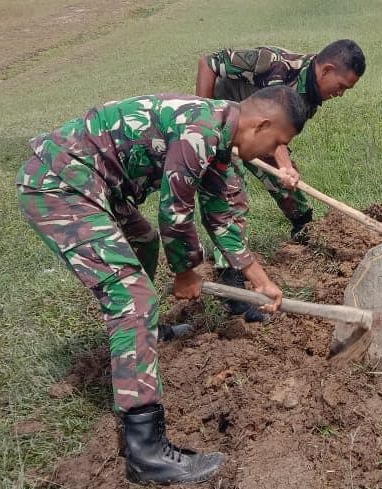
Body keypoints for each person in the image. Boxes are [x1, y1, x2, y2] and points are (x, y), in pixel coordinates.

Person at [17, 87, 309, 485]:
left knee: (143, 240)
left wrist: (262, 281)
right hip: (60, 185)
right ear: (261, 124)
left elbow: (220, 216)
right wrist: (186, 272)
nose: (273, 153)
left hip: (99, 186)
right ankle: (147, 452)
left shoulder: (221, 134)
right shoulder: (200, 132)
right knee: (132, 296)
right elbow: (175, 208)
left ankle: (145, 332)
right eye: (277, 142)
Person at [195, 40, 365, 321]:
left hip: (262, 129)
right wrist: (207, 122)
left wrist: (286, 168)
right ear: (327, 70)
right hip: (226, 123)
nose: (341, 94)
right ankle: (231, 277)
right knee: (230, 195)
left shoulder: (311, 94)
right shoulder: (274, 63)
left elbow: (278, 134)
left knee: (288, 183)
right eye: (342, 86)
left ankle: (305, 229)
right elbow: (208, 63)